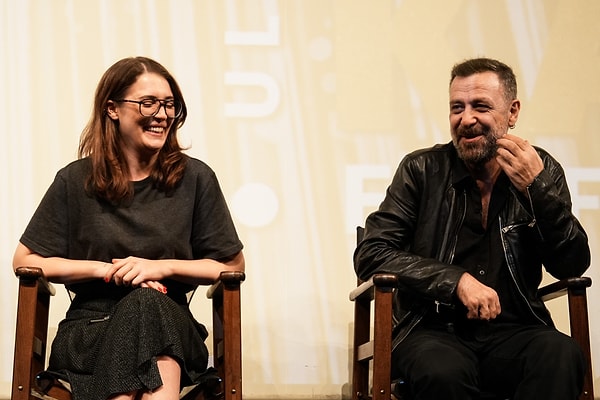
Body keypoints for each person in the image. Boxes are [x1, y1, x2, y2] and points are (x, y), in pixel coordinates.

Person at [354, 57, 590, 400]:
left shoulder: (541, 169)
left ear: (512, 112)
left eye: (480, 106)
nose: (466, 120)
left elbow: (572, 263)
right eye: (456, 108)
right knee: (442, 372)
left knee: (561, 354)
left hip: (515, 328)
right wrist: (456, 282)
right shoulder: (421, 169)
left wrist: (536, 189)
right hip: (431, 329)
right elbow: (372, 254)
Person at [13, 56, 245, 400]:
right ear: (112, 109)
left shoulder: (195, 178)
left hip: (172, 326)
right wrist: (108, 271)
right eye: (148, 103)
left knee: (148, 303)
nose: (162, 115)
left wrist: (159, 267)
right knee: (143, 308)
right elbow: (25, 259)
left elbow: (232, 265)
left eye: (169, 105)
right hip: (92, 330)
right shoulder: (75, 180)